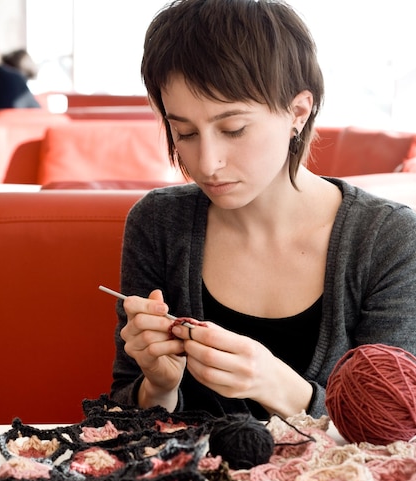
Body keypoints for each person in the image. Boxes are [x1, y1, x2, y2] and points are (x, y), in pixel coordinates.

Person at [109, 0, 416, 422]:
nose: (207, 162)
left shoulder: (389, 239)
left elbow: (398, 424)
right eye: (184, 132)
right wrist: (158, 387)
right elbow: (118, 419)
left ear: (298, 112)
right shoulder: (158, 224)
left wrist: (281, 387)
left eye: (233, 129)